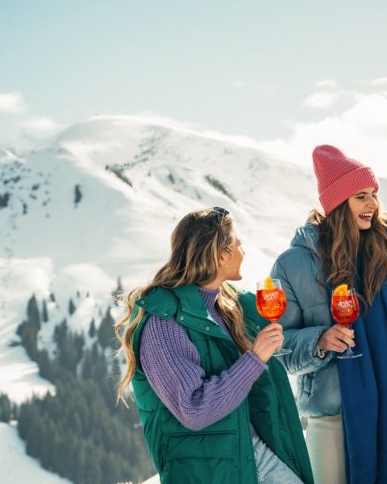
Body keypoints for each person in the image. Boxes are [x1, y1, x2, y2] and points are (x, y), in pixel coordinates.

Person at [271, 144, 387, 484]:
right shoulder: (295, 264)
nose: (372, 205)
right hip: (333, 416)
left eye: (374, 195)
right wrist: (319, 341)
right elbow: (277, 347)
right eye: (361, 197)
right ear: (337, 203)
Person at [114, 207, 314, 484]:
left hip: (251, 450)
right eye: (239, 244)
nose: (243, 251)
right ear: (221, 255)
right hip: (208, 469)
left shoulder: (228, 304)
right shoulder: (164, 323)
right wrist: (255, 359)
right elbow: (194, 410)